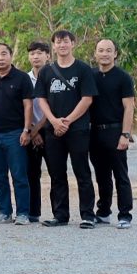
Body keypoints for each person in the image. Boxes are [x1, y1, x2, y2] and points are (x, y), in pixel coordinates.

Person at [35, 29, 98, 228]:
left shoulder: (83, 69)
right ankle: (60, 215)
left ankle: (88, 215)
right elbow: (41, 99)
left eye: (66, 41)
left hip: (78, 129)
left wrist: (67, 121)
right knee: (56, 173)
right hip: (53, 130)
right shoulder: (46, 71)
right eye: (58, 42)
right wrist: (54, 121)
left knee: (82, 172)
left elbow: (87, 99)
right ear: (53, 46)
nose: (62, 45)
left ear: (73, 43)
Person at [0, 43, 33, 225]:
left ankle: (23, 213)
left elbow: (28, 105)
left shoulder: (22, 78)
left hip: (15, 134)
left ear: (10, 56)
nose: (0, 58)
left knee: (19, 176)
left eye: (4, 54)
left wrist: (26, 130)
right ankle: (4, 212)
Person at [89, 38, 135, 229]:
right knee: (101, 175)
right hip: (94, 132)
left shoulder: (123, 77)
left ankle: (125, 215)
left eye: (109, 50)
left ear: (115, 54)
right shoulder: (90, 75)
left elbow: (129, 107)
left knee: (120, 175)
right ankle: (103, 212)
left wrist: (125, 134)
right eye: (101, 50)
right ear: (95, 53)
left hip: (116, 131)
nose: (105, 54)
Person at [25, 41, 51, 223]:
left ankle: (59, 213)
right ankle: (33, 212)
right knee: (31, 174)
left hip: (51, 130)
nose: (36, 56)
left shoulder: (54, 76)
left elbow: (55, 106)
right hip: (30, 132)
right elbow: (22, 107)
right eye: (32, 53)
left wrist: (38, 129)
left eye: (40, 53)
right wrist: (32, 131)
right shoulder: (24, 79)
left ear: (48, 56)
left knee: (56, 173)